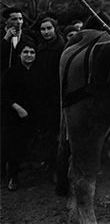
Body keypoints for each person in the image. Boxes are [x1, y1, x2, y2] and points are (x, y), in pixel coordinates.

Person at [1, 41, 44, 190]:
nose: (29, 55)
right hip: (15, 116)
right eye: (26, 52)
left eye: (32, 52)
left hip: (36, 114)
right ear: (20, 54)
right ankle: (13, 176)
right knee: (14, 145)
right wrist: (18, 108)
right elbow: (4, 95)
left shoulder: (40, 72)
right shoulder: (11, 73)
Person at [36, 17, 65, 173]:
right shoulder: (40, 48)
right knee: (47, 131)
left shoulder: (62, 47)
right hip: (43, 97)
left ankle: (59, 167)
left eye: (49, 28)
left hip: (58, 96)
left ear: (55, 29)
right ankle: (49, 162)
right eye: (43, 29)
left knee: (59, 133)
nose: (46, 32)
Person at [1, 7, 36, 72]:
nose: (19, 22)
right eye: (14, 19)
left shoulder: (29, 38)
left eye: (20, 19)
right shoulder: (2, 36)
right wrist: (6, 38)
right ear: (6, 21)